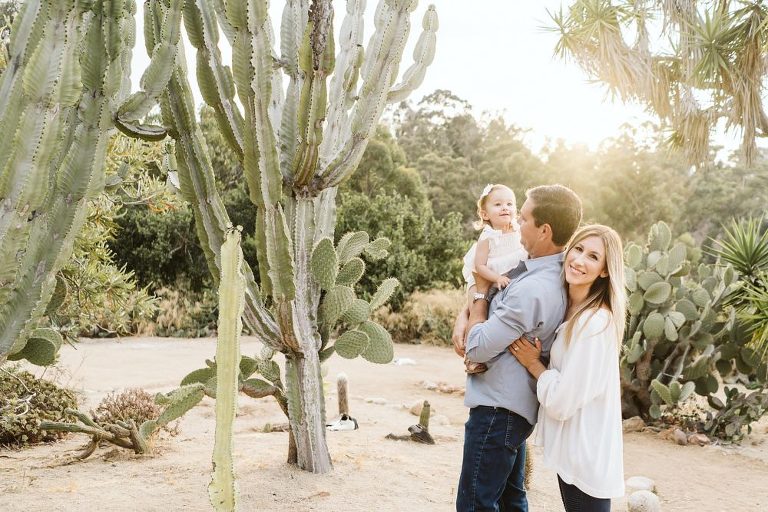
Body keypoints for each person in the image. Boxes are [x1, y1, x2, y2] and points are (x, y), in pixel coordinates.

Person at [453, 184, 583, 512]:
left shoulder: (534, 289)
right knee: (512, 501)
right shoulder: (533, 269)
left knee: (475, 505)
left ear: (544, 230)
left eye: (523, 218)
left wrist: (480, 299)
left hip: (498, 409)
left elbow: (478, 348)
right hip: (509, 407)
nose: (515, 223)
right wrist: (465, 312)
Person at [509, 224, 626, 511]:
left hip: (585, 456)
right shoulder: (571, 311)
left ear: (605, 270)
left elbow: (563, 401)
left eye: (593, 257)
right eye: (578, 249)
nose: (579, 260)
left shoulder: (594, 323)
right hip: (576, 452)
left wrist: (534, 364)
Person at [461, 184, 527, 374]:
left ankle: (490, 352)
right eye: (498, 204)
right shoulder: (487, 237)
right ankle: (470, 358)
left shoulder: (518, 230)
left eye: (510, 204)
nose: (505, 208)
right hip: (483, 275)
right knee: (476, 308)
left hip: (503, 277)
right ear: (485, 214)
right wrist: (496, 277)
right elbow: (480, 266)